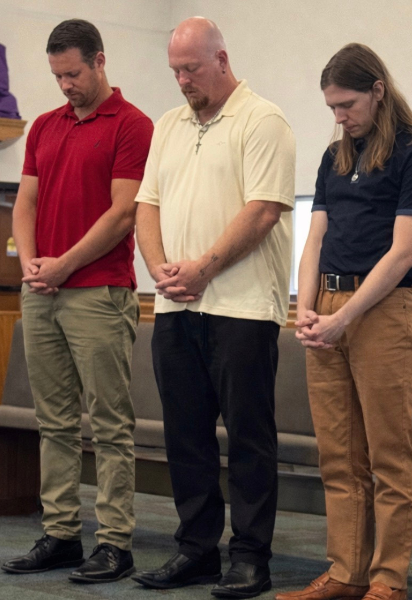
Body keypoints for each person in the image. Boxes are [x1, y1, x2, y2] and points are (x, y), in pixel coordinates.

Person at [129, 17, 296, 600]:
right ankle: (196, 551)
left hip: (243, 308)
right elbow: (145, 205)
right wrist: (159, 267)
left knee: (249, 438)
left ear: (221, 60)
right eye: (175, 70)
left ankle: (251, 559)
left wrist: (202, 267)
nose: (181, 81)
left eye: (191, 69)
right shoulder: (169, 126)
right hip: (175, 307)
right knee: (186, 435)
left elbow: (263, 211)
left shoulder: (262, 119)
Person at [277, 43, 412, 600]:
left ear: (378, 90)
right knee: (338, 455)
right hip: (326, 309)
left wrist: (343, 317)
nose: (340, 117)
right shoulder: (336, 157)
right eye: (331, 107)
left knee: (388, 456)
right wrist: (306, 307)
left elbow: (402, 254)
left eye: (348, 104)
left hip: (382, 312)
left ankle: (387, 581)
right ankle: (347, 573)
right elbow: (316, 239)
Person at [0, 19, 153, 584]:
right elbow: (24, 204)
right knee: (55, 421)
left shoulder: (133, 126)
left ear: (99, 60)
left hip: (99, 291)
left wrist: (65, 264)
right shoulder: (44, 126)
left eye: (73, 73)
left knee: (110, 424)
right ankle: (61, 533)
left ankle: (115, 543)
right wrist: (30, 263)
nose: (65, 84)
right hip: (41, 291)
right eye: (57, 75)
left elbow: (123, 213)